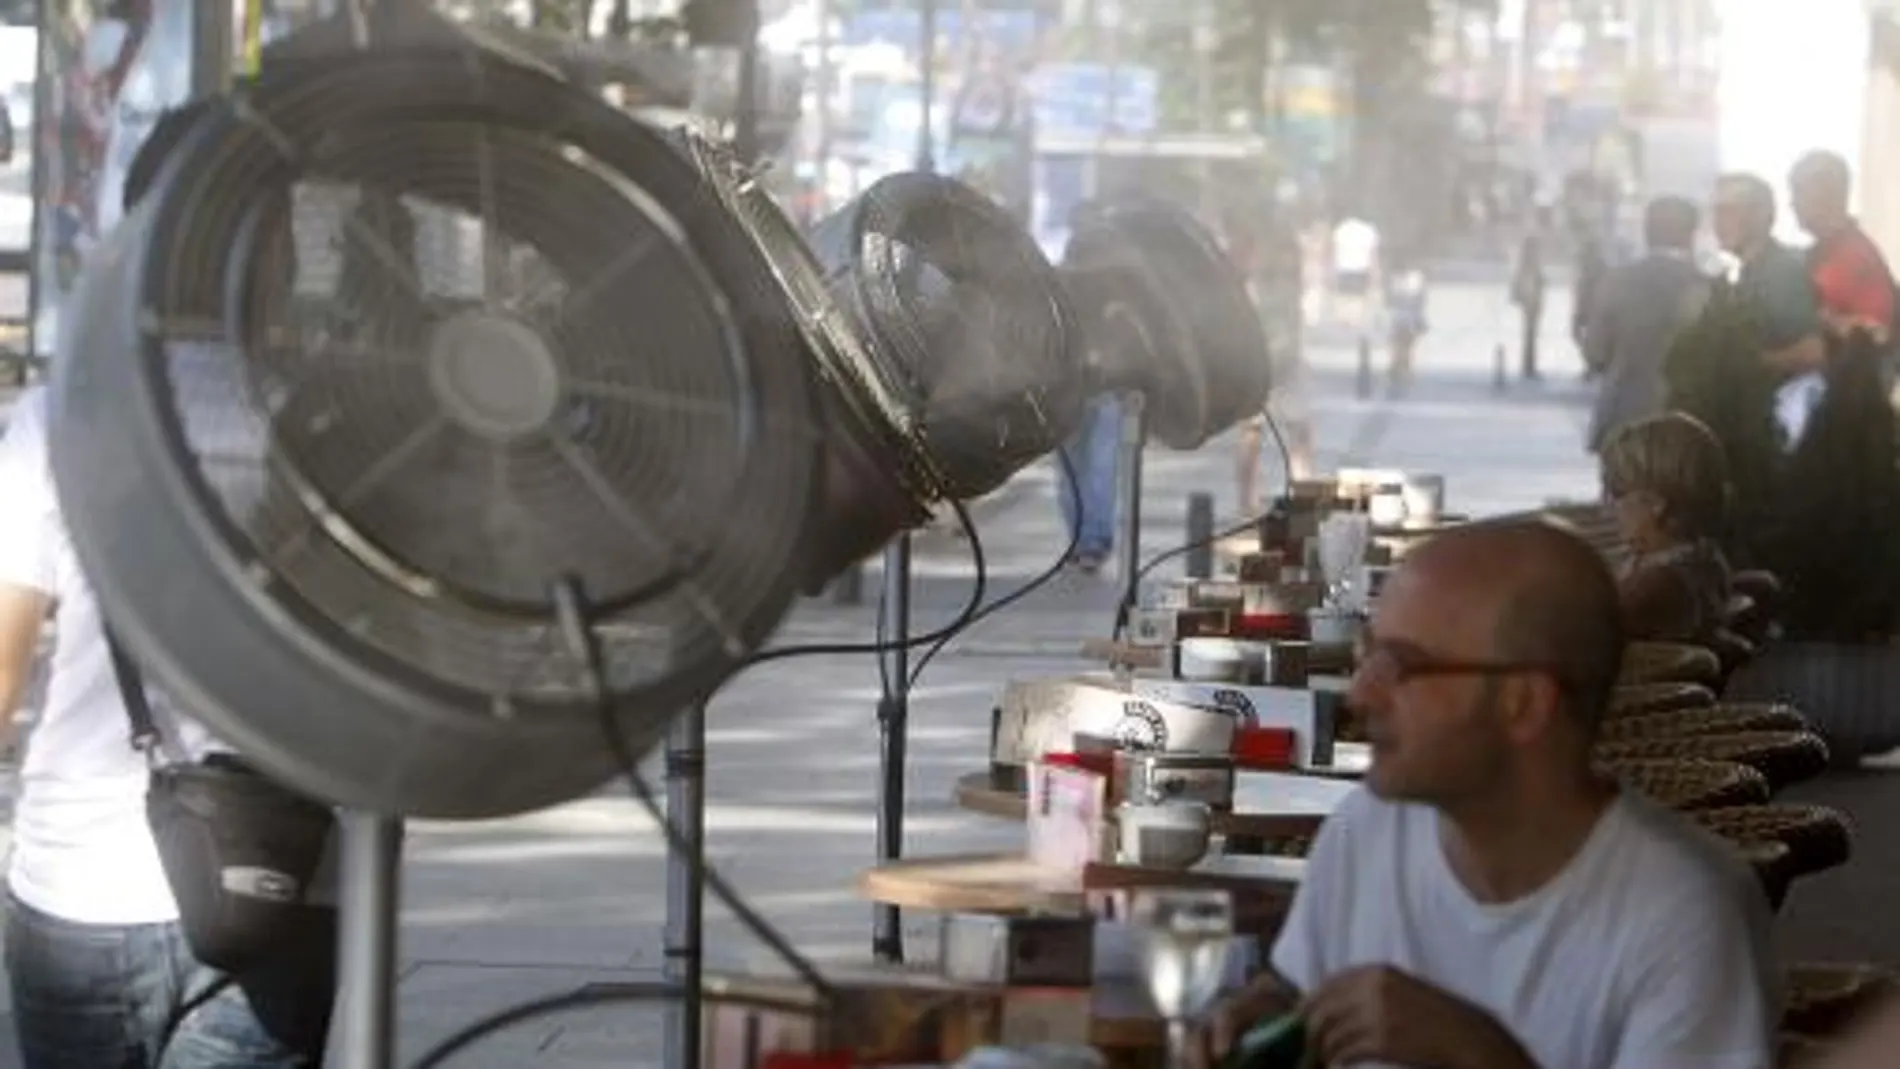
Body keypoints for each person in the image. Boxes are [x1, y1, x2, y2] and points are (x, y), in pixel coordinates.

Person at [0, 106, 334, 1067]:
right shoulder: (333, 428)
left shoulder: (59, 417)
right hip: (281, 878)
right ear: (272, 245)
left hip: (81, 885)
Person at [1198, 520, 1779, 1069]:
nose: (1360, 693)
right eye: (1367, 656)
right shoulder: (1370, 827)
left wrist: (1479, 1055)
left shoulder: (1685, 912)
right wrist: (1259, 1016)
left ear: (1523, 703)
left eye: (1401, 665)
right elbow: (1299, 988)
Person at [1582, 196, 1712, 451]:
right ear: (1690, 234)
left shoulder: (1616, 281)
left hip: (1622, 416)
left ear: (1647, 231)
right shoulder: (1707, 287)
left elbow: (1595, 353)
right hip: (1686, 420)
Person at [1712, 172, 1828, 448]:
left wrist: (1751, 363)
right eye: (1715, 212)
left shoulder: (1781, 273)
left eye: (1728, 211)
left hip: (1773, 431)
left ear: (1762, 215)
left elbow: (1813, 351)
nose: (1718, 223)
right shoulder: (1743, 275)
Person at [1598, 413, 1734, 644]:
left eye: (1615, 492)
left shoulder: (1656, 586)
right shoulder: (1701, 559)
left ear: (1655, 503)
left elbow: (1574, 641)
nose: (1605, 505)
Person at [1788, 150, 1896, 347]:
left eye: (1799, 191)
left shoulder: (1856, 256)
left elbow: (1879, 333)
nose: (1792, 203)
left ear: (1829, 193)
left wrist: (1825, 321)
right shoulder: (1818, 254)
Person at [1509, 228, 1547, 379]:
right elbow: (1529, 283)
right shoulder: (1529, 263)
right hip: (1531, 302)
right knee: (1530, 336)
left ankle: (1529, 365)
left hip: (1532, 302)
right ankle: (1528, 366)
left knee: (1530, 336)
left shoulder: (1526, 262)